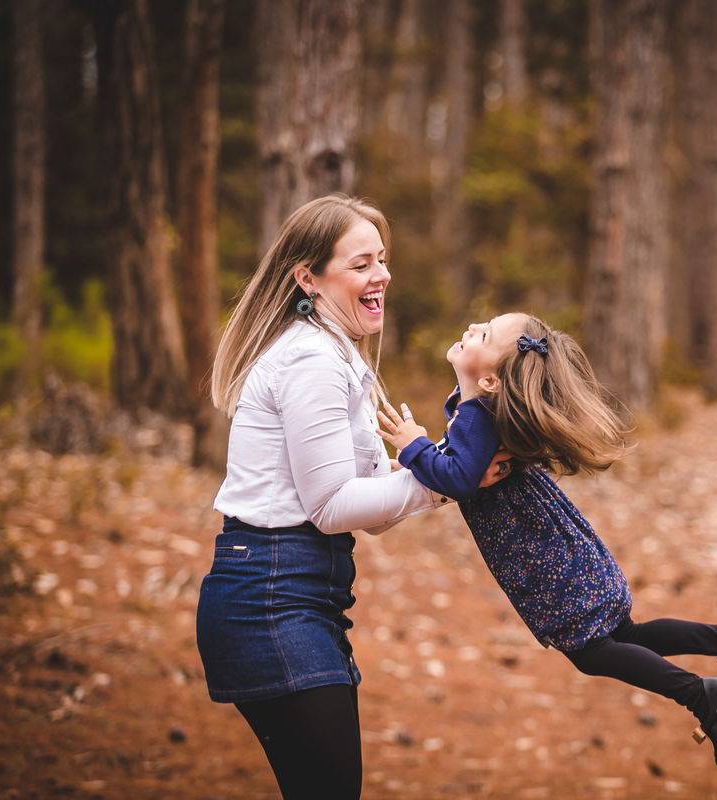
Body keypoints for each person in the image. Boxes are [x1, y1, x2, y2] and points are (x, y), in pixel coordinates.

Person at [376, 312, 717, 770]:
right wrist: (421, 465)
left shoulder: (479, 412)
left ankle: (701, 694)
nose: (472, 326)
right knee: (623, 635)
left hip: (541, 555)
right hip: (557, 545)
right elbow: (463, 463)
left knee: (592, 652)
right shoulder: (481, 410)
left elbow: (459, 476)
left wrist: (413, 447)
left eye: (485, 333)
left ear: (492, 379)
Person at [196, 194, 507, 800]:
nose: (381, 276)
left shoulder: (337, 356)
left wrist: (445, 477)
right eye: (361, 264)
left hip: (299, 592)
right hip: (269, 594)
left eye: (382, 261)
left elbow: (370, 511)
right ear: (307, 278)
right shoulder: (311, 360)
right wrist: (443, 477)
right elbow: (332, 506)